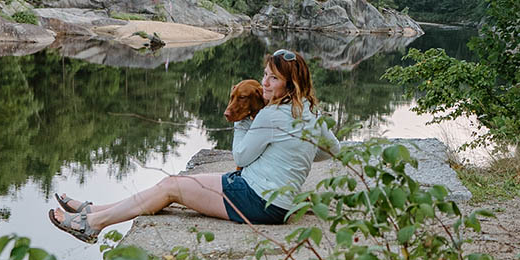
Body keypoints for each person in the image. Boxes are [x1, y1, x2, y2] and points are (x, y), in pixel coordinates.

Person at [48, 48, 339, 243]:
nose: (264, 82)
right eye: (265, 74)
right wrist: (292, 155)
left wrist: (242, 121)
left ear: (290, 85)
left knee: (172, 188)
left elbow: (240, 155)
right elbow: (331, 151)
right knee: (171, 183)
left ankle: (92, 225)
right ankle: (94, 210)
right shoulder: (312, 114)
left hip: (256, 201)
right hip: (270, 198)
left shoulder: (272, 116)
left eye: (273, 78)